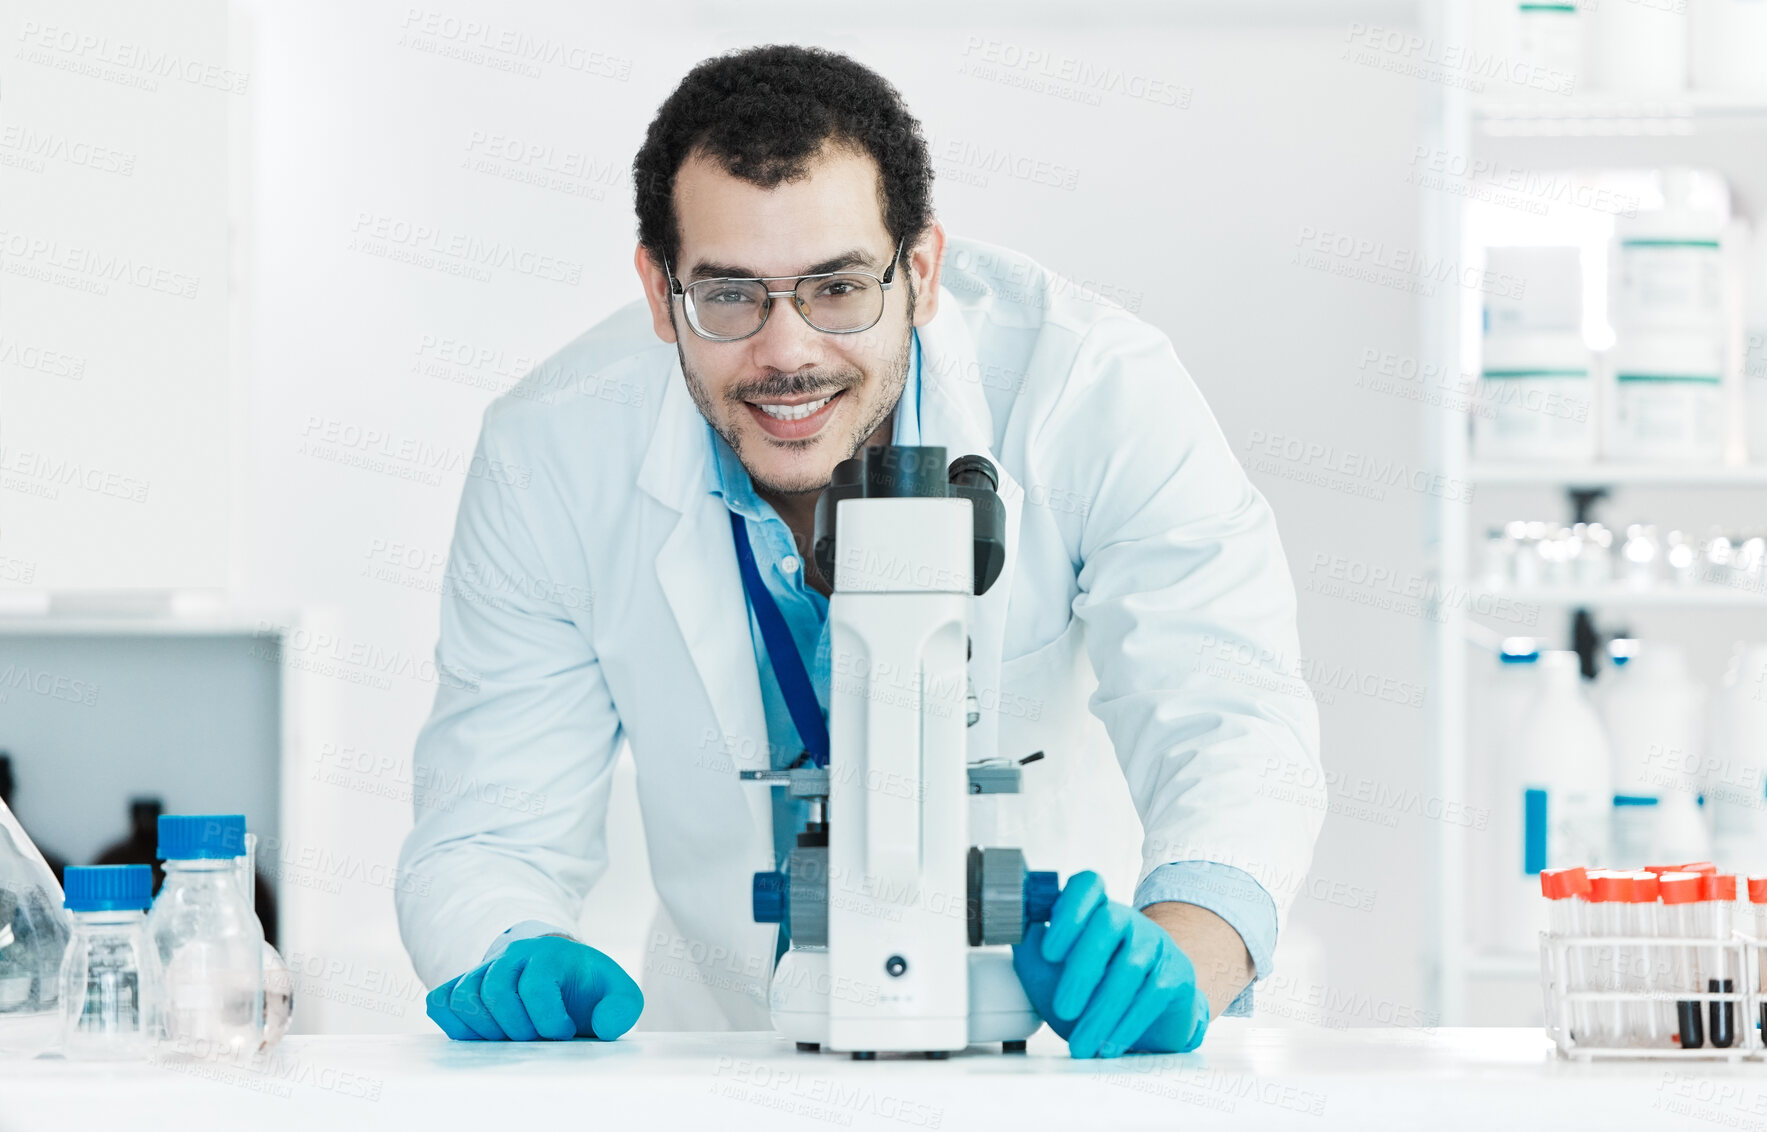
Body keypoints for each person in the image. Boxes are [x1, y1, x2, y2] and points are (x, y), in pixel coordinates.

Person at [397, 44, 1323, 1059]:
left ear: (920, 272)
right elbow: (488, 828)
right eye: (730, 295)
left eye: (837, 288)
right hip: (735, 1055)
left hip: (1062, 1052)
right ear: (661, 292)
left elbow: (1234, 720)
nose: (787, 351)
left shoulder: (1090, 390)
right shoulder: (554, 452)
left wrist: (1189, 946)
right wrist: (507, 949)